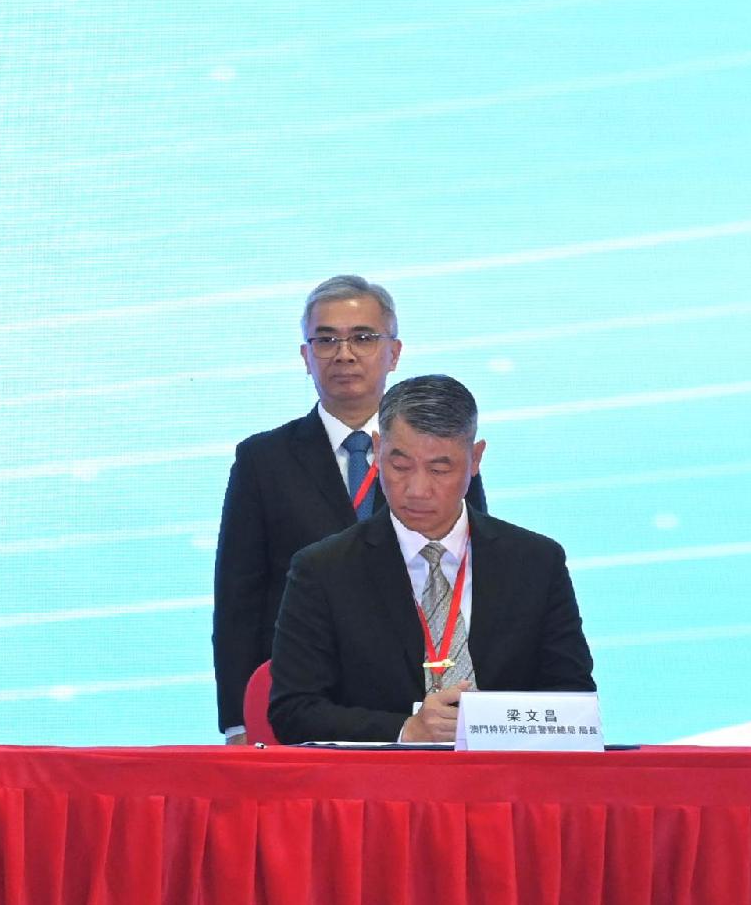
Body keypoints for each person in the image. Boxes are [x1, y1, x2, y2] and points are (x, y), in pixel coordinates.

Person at [210, 274, 483, 740]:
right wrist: (239, 721)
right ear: (305, 356)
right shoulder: (263, 459)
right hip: (306, 695)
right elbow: (238, 598)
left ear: (394, 353)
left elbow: (473, 565)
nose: (344, 353)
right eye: (326, 340)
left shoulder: (441, 451)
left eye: (363, 337)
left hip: (422, 689)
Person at [266, 374, 591, 744]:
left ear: (475, 459)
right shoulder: (323, 570)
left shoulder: (536, 563)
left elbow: (573, 699)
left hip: (506, 788)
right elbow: (293, 712)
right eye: (400, 466)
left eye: (440, 469)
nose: (417, 490)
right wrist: (406, 729)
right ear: (377, 448)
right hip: (383, 793)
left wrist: (492, 726)